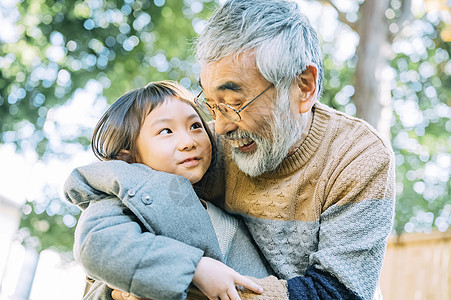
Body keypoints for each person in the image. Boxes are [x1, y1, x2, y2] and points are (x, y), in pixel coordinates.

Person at [103, 0, 396, 299]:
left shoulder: (359, 159)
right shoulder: (202, 148)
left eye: (233, 103)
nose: (218, 127)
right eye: (212, 105)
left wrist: (186, 281)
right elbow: (125, 213)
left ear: (303, 86)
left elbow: (338, 293)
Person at [64, 81, 279, 300]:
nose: (188, 142)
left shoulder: (222, 207)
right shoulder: (126, 193)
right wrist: (194, 268)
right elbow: (98, 245)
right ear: (127, 155)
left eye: (195, 126)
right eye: (166, 131)